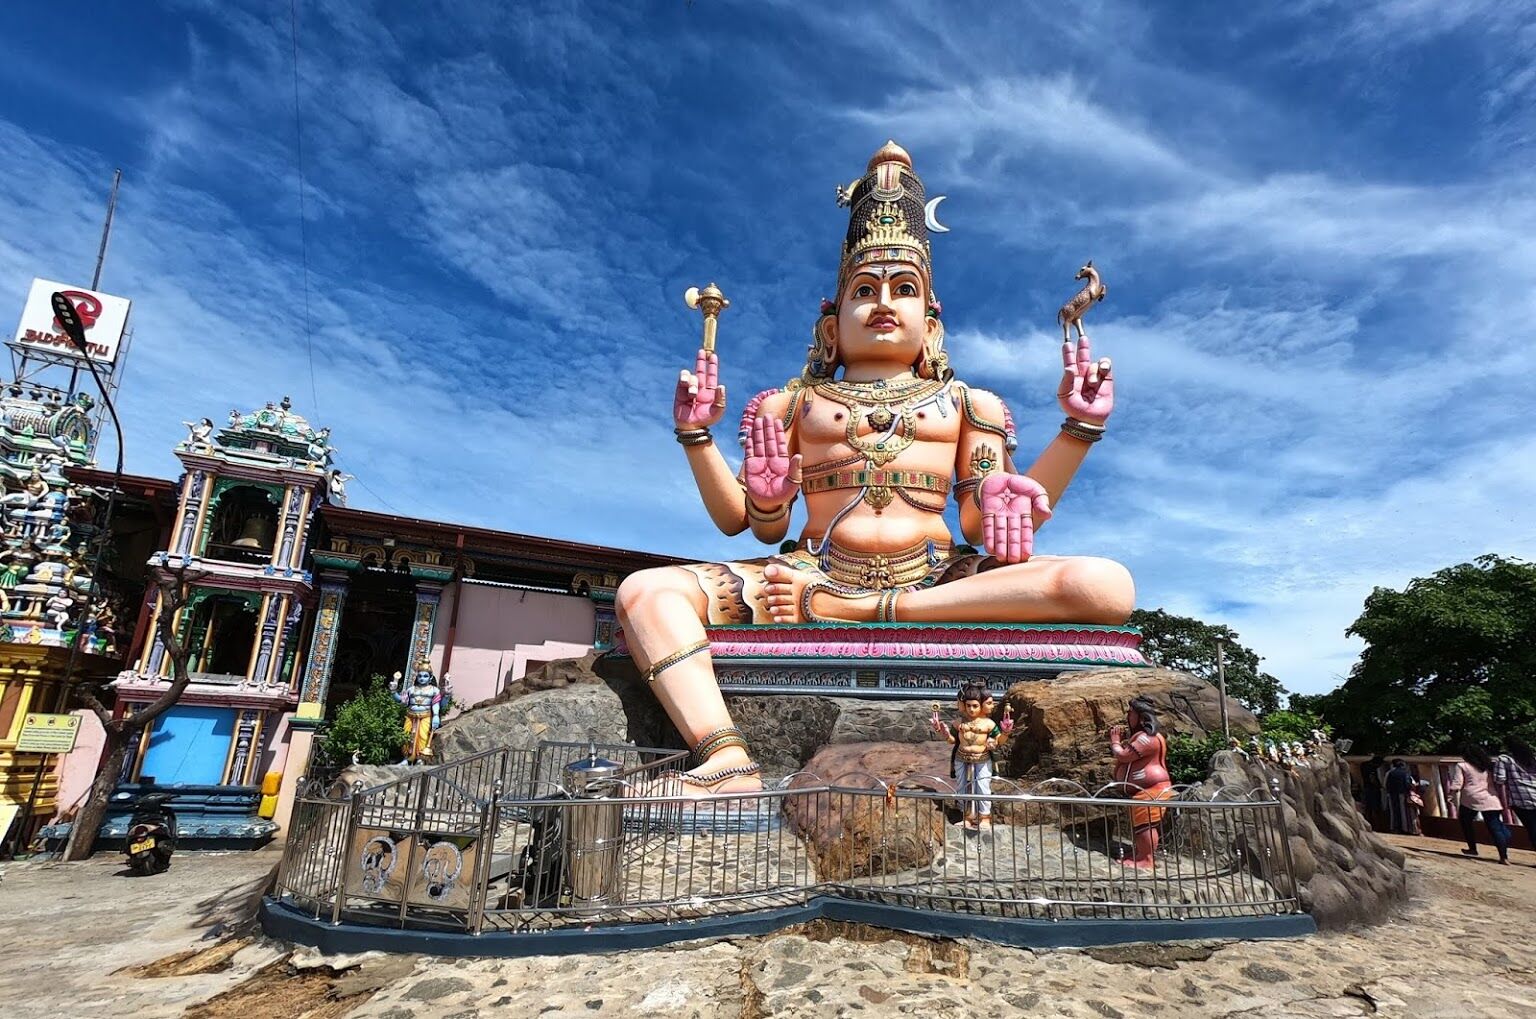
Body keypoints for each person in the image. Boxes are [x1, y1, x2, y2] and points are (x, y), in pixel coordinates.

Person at [615, 142, 1134, 795]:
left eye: (904, 288)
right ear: (831, 324)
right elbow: (746, 522)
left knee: (1104, 584)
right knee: (642, 593)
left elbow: (988, 522)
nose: (884, 301)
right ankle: (726, 760)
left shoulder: (967, 404)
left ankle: (870, 611)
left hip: (940, 577)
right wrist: (699, 438)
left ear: (930, 319)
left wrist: (1075, 434)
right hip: (808, 576)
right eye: (865, 289)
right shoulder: (791, 403)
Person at [931, 683, 1013, 831]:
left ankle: (984, 817)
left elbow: (999, 740)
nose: (971, 709)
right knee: (962, 787)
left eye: (975, 706)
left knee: (982, 787)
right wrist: (942, 732)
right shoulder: (958, 723)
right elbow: (952, 741)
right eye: (968, 705)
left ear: (981, 705)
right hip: (961, 758)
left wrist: (1005, 733)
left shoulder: (988, 724)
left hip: (982, 758)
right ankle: (966, 816)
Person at [1109, 697, 1173, 868]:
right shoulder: (1142, 736)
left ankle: (1147, 859)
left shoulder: (1148, 738)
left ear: (1141, 717)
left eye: (1131, 713)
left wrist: (1115, 741)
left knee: (1146, 826)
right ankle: (1141, 853)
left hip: (1152, 788)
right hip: (1143, 790)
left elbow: (1124, 755)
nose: (1128, 717)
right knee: (1141, 824)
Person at [1448, 743, 1512, 864]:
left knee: (1465, 822)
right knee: (1495, 827)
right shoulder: (1489, 766)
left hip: (1470, 799)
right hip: (1491, 798)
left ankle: (1472, 848)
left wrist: (1451, 794)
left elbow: (1458, 783)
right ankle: (1504, 856)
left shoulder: (1462, 766)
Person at [1494, 737, 1536, 850]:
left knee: (1532, 828)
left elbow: (1500, 781)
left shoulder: (1505, 759)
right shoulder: (1532, 759)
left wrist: (1504, 803)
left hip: (1521, 799)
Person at [1384, 758, 1415, 834]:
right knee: (1403, 811)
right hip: (1402, 794)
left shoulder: (1389, 773)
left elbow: (1385, 784)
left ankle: (1395, 828)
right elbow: (1409, 784)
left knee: (1393, 811)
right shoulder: (1405, 773)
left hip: (1392, 794)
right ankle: (1405, 828)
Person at [1360, 754, 1386, 830]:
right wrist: (1379, 786)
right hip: (1373, 790)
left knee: (1368, 808)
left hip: (1366, 788)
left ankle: (1368, 823)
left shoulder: (1364, 766)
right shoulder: (1372, 769)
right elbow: (1372, 779)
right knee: (1375, 808)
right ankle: (1376, 826)